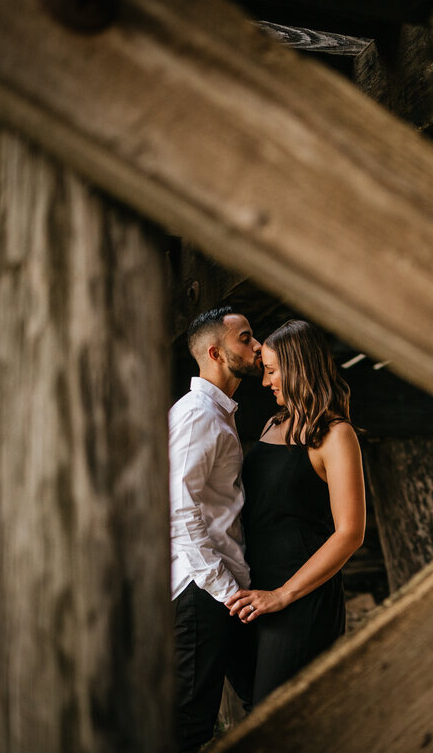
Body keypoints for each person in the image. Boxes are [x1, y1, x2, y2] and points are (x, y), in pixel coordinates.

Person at [224, 319, 366, 704]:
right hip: (255, 596)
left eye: (271, 371)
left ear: (298, 366)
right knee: (259, 717)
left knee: (278, 724)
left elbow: (351, 533)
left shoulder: (336, 435)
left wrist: (283, 595)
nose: (266, 381)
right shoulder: (274, 423)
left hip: (300, 601)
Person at [169, 306, 262, 753]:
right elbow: (177, 513)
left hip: (222, 589)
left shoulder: (218, 412)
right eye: (245, 338)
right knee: (188, 728)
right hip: (203, 592)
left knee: (264, 702)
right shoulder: (199, 415)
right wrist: (225, 591)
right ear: (215, 353)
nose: (257, 345)